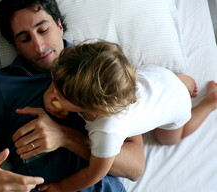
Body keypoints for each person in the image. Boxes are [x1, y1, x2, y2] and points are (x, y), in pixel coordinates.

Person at [0, 0, 145, 192]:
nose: (38, 46)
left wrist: (65, 137)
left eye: (43, 30)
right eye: (24, 38)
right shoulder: (2, 86)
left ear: (59, 25)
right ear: (15, 46)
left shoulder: (99, 66)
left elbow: (135, 167)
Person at [40, 40, 217, 192]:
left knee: (168, 139)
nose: (54, 92)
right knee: (158, 83)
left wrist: (62, 187)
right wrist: (52, 93)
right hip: (158, 76)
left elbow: (94, 174)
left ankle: (208, 103)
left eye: (61, 95)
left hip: (176, 103)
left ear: (93, 110)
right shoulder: (111, 78)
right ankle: (179, 81)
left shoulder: (106, 131)